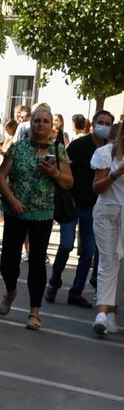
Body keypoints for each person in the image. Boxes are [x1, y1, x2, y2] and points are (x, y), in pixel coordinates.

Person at [0, 101, 71, 330]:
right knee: (8, 260)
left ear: (51, 127)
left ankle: (34, 312)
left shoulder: (58, 150)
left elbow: (69, 181)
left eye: (45, 121)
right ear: (30, 124)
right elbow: (0, 176)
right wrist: (12, 199)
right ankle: (10, 292)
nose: (41, 124)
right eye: (37, 120)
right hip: (16, 211)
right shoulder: (18, 148)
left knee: (37, 262)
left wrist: (55, 173)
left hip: (43, 214)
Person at [46, 113, 98, 307]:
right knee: (66, 245)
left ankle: (76, 292)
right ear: (92, 124)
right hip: (72, 206)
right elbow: (66, 173)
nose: (104, 127)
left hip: (93, 208)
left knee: (88, 253)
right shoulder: (78, 146)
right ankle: (53, 283)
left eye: (108, 124)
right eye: (100, 123)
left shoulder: (112, 150)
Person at [90, 112, 124, 336]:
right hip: (107, 211)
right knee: (109, 261)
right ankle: (102, 313)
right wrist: (115, 174)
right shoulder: (105, 153)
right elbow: (96, 188)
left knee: (118, 264)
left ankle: (111, 313)